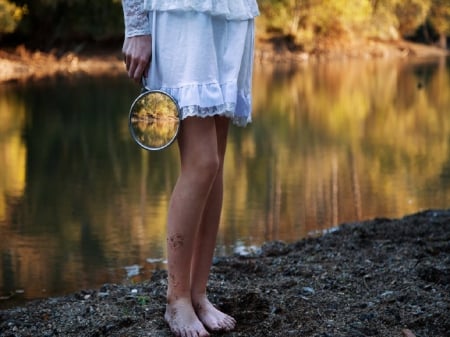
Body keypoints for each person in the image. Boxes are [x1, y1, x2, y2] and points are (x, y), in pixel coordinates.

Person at [121, 1, 259, 336]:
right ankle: (177, 298)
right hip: (181, 12)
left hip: (231, 12)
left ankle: (198, 294)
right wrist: (137, 27)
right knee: (202, 162)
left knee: (216, 164)